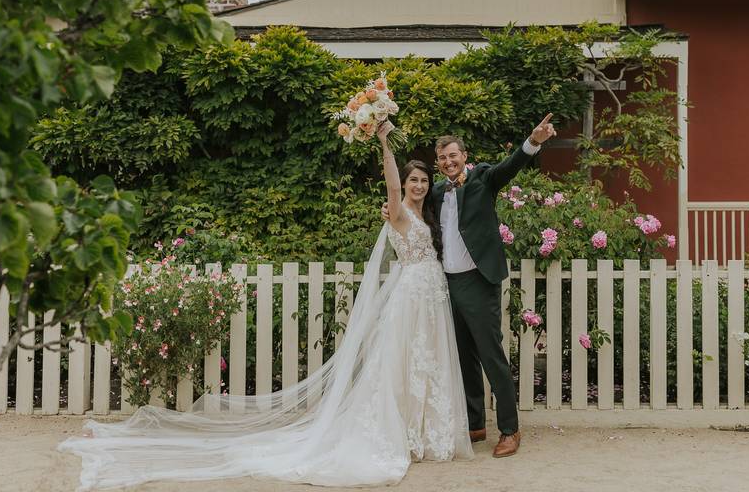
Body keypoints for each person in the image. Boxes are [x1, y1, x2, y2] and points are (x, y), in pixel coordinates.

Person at [58, 120, 473, 489]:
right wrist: (385, 143)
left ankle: (425, 434)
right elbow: (392, 186)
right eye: (413, 181)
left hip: (432, 297)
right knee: (401, 364)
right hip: (410, 298)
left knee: (428, 363)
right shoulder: (398, 213)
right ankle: (402, 434)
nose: (417, 186)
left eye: (422, 181)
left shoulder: (430, 214)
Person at [383, 113, 557, 458]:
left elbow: (512, 165)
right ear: (439, 163)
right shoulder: (432, 192)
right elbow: (410, 206)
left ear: (464, 156)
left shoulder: (483, 179)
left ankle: (509, 429)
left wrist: (533, 140)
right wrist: (391, 210)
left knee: (491, 356)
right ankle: (475, 423)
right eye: (443, 158)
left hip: (478, 282)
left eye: (453, 155)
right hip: (443, 285)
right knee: (463, 356)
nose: (448, 162)